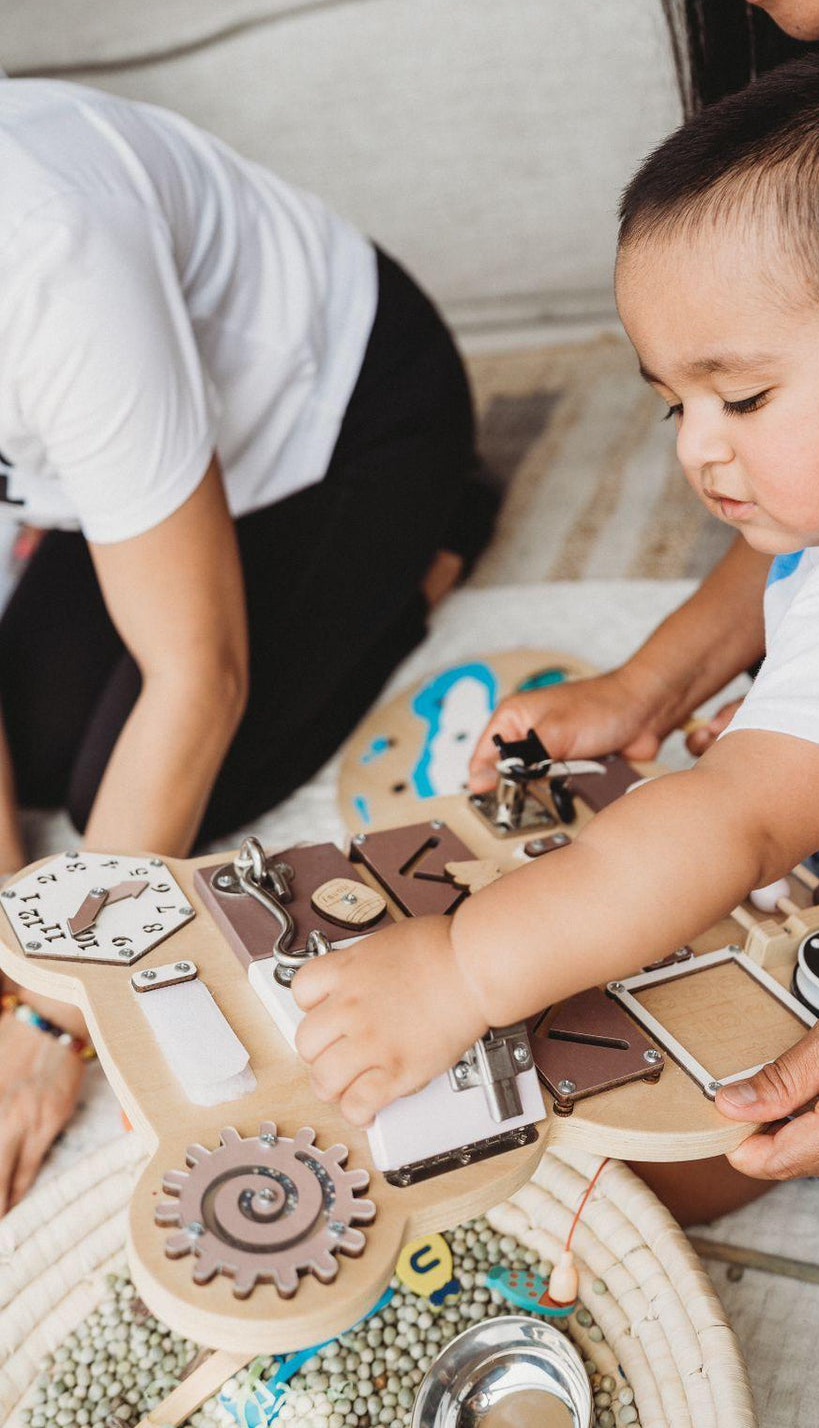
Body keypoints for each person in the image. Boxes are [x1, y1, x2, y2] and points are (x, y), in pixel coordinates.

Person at [291, 54, 819, 1224]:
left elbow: (717, 825)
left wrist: (460, 969)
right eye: (677, 404)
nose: (694, 453)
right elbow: (780, 556)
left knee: (640, 1163)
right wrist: (640, 684)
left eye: (743, 398)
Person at [0, 76, 490, 1214]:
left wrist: (50, 1021)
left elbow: (198, 675)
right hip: (130, 485)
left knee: (143, 789)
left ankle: (436, 534)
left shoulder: (43, 244)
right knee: (51, 752)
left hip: (349, 417)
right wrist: (13, 942)